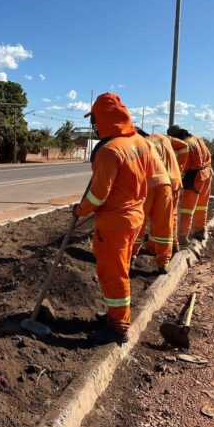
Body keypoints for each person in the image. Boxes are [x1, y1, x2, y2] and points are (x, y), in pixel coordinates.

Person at [74, 93, 155, 345]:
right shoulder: (141, 143)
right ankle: (115, 315)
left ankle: (118, 325)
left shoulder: (109, 151)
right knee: (121, 269)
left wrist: (80, 210)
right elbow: (149, 175)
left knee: (113, 273)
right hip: (135, 217)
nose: (94, 125)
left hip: (114, 223)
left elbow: (98, 196)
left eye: (95, 119)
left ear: (103, 119)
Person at [131, 129, 176, 274]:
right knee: (164, 225)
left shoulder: (132, 144)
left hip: (146, 186)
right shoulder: (151, 145)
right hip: (165, 184)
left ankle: (131, 257)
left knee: (138, 223)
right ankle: (163, 263)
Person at [166, 125, 213, 245]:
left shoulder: (185, 145)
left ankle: (182, 236)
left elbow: (183, 167)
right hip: (207, 173)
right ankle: (200, 230)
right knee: (202, 205)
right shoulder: (197, 138)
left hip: (194, 177)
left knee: (186, 208)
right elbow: (207, 155)